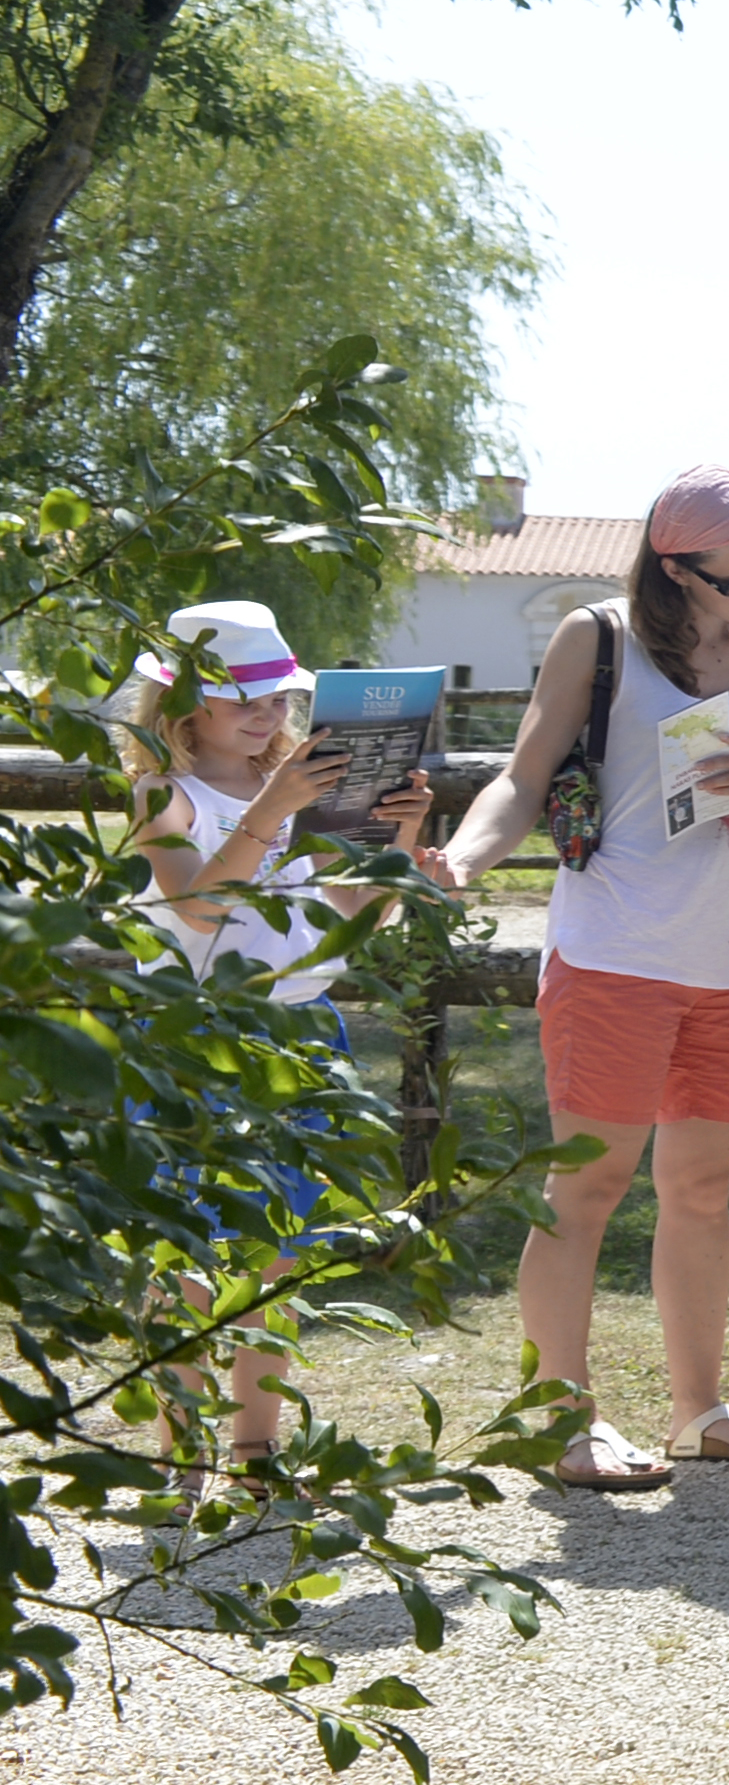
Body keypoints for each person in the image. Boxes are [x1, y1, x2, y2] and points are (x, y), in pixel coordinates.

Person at [429, 468, 729, 1489]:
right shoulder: (596, 638)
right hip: (611, 954)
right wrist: (467, 860)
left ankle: (703, 1411)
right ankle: (562, 1423)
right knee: (587, 1188)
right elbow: (524, 774)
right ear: (676, 569)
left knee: (700, 1188)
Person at [117, 599, 440, 1466]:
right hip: (195, 1039)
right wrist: (274, 807)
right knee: (183, 1255)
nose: (266, 713)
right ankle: (179, 1455)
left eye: (276, 697)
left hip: (300, 1036)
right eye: (244, 697)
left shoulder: (304, 796)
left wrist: (400, 840)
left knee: (276, 1255)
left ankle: (256, 1452)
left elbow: (345, 926)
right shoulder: (166, 795)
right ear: (183, 708)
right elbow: (197, 907)